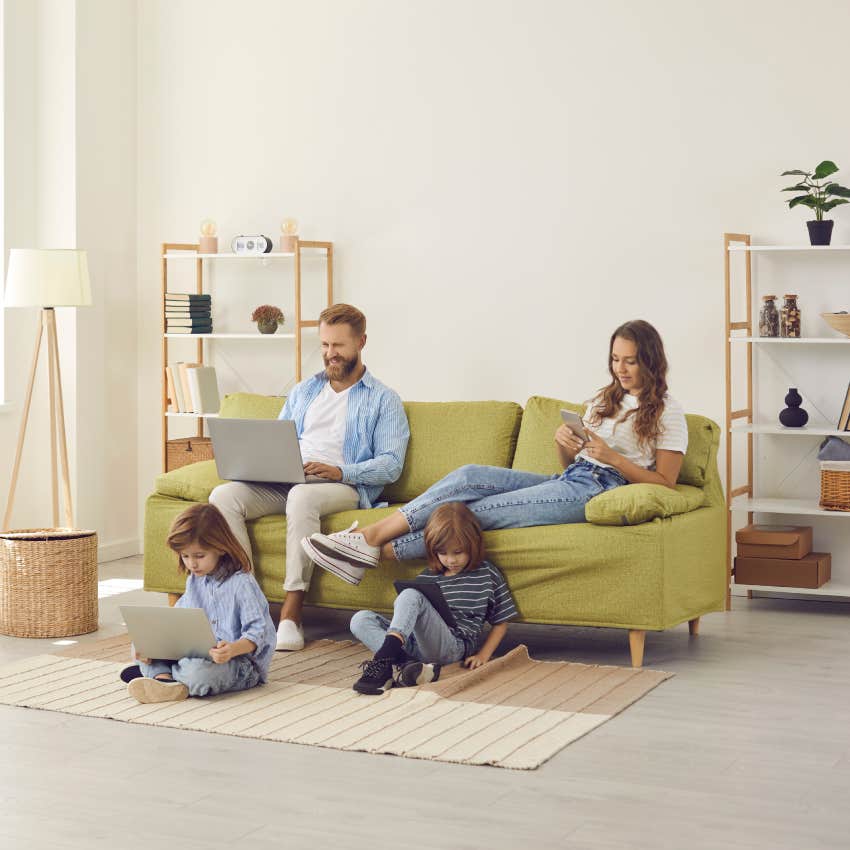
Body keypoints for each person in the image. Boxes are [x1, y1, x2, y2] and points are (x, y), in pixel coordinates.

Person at [303, 319, 688, 576]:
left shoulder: (668, 412)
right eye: (615, 360)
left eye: (631, 362)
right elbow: (571, 465)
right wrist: (566, 444)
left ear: (650, 362)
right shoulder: (606, 400)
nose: (621, 369)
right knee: (470, 475)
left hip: (601, 489)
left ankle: (375, 549)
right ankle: (369, 541)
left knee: (471, 512)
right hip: (572, 477)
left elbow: (665, 483)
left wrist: (613, 458)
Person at [209, 303, 409, 652]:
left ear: (361, 342)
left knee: (302, 497)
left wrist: (341, 471)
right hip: (286, 478)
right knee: (223, 497)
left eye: (339, 346)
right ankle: (249, 603)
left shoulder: (383, 400)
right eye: (325, 345)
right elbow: (277, 439)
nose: (331, 354)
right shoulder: (303, 391)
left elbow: (391, 465)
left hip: (341, 485)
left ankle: (291, 612)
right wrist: (262, 464)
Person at [348, 502, 517, 695]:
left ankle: (383, 660)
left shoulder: (487, 573)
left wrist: (483, 655)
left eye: (458, 552)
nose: (451, 560)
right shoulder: (428, 576)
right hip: (416, 645)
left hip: (452, 646)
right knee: (360, 619)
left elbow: (501, 621)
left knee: (410, 595)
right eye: (442, 553)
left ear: (473, 545)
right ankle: (409, 665)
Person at [122, 503, 277, 704]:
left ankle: (159, 674)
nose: (192, 564)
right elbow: (176, 622)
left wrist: (231, 649)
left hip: (238, 663)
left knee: (197, 672)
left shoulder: (242, 583)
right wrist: (151, 645)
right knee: (139, 646)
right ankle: (165, 680)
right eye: (185, 556)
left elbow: (258, 633)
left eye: (199, 556)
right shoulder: (194, 581)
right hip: (196, 653)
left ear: (220, 547)